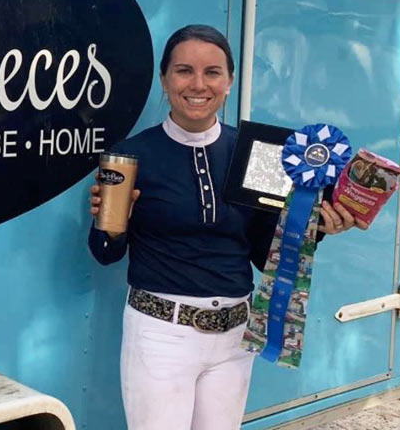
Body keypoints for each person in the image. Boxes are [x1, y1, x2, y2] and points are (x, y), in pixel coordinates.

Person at [87, 24, 367, 430]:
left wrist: (318, 229)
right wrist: (112, 224)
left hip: (236, 336)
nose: (198, 84)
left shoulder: (258, 153)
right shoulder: (131, 156)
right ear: (164, 80)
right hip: (161, 336)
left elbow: (261, 253)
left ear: (229, 82)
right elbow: (105, 253)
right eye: (183, 71)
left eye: (212, 72)